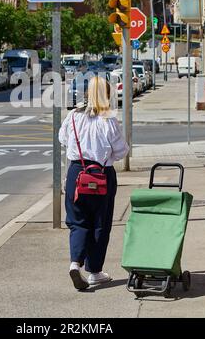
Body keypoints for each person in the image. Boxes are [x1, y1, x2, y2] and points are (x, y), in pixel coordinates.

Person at [59, 76, 129, 290]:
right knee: (100, 223)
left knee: (77, 221)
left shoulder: (73, 116)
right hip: (101, 175)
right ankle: (95, 272)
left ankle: (74, 263)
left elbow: (62, 139)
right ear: (107, 94)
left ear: (87, 93)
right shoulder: (109, 118)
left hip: (76, 173)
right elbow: (122, 151)